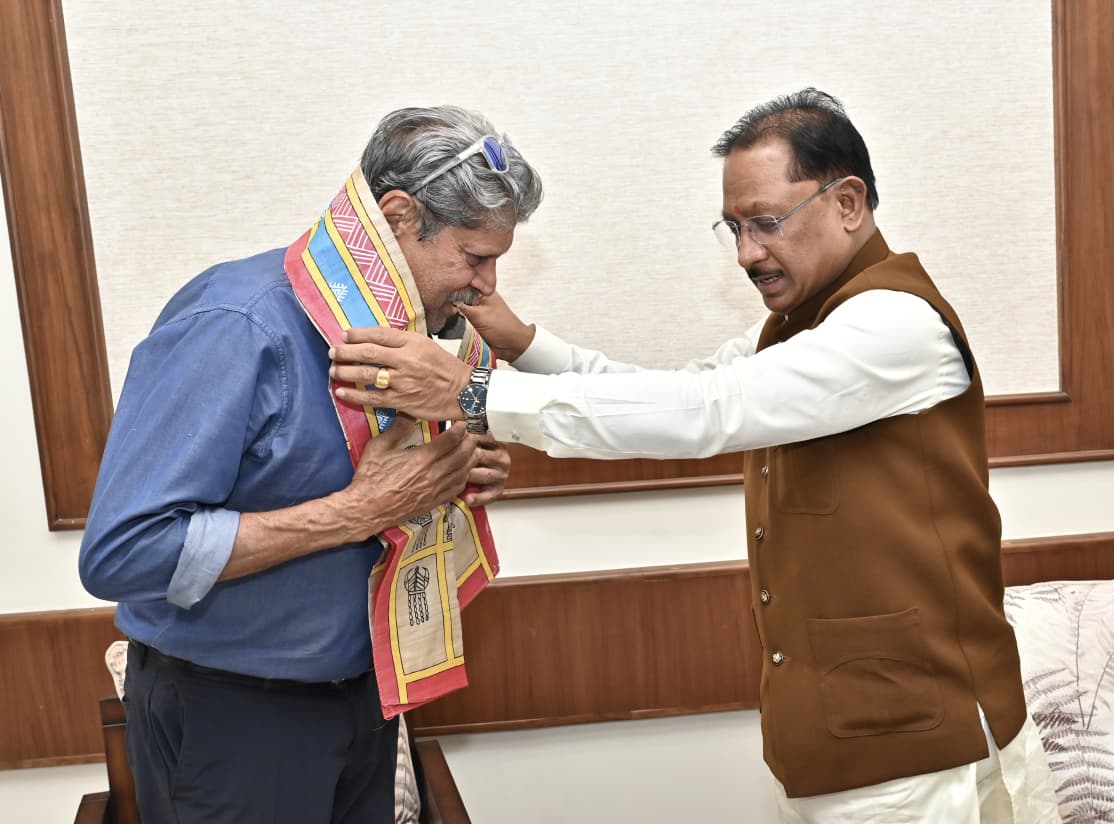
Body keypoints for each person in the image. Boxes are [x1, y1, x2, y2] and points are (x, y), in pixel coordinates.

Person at [327, 89, 1060, 821]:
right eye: (734, 228)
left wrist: (473, 392)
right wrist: (523, 345)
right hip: (850, 737)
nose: (747, 254)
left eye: (766, 223)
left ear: (847, 203)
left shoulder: (893, 325)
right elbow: (670, 391)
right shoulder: (805, 325)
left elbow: (708, 411)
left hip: (918, 750)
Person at [79, 105, 544, 824]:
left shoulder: (409, 335)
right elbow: (124, 552)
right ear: (398, 216)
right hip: (235, 719)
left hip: (367, 697)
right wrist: (359, 511)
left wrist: (453, 476)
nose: (487, 285)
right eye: (474, 256)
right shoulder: (239, 324)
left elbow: (372, 479)